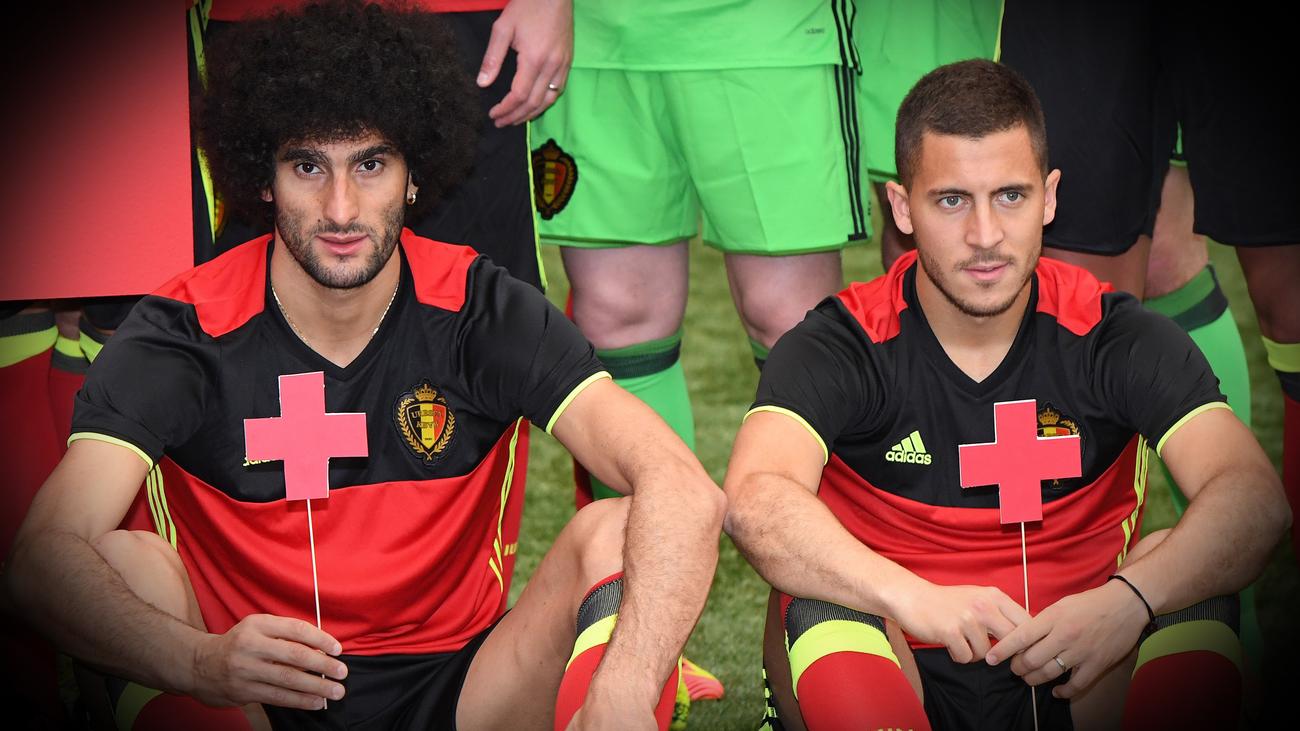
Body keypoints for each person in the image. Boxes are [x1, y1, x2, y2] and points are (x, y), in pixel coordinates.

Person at [3, 3, 724, 730]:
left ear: (413, 177)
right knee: (127, 562)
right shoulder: (185, 328)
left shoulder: (481, 309)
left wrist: (623, 687)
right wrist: (201, 663)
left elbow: (682, 487)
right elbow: (40, 554)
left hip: (462, 691)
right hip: (245, 688)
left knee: (616, 530)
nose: (341, 208)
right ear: (262, 178)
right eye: (307, 166)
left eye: (370, 164)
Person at [724, 59, 1288, 730]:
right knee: (822, 604)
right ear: (902, 208)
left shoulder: (1113, 336)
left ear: (1049, 197)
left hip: (1081, 667)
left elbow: (1254, 498)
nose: (985, 235)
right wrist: (912, 596)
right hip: (901, 667)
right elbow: (755, 501)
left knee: (1181, 581)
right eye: (952, 200)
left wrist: (1129, 599)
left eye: (1011, 196)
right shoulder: (843, 341)